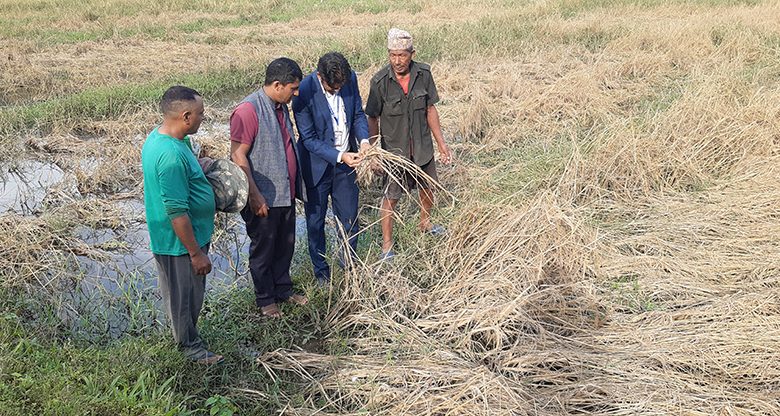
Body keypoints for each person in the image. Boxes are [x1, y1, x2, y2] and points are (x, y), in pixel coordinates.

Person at [141, 86, 222, 365]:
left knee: (188, 295)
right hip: (179, 243)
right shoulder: (171, 157)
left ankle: (190, 341)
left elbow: (184, 173)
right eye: (200, 114)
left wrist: (201, 164)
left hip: (187, 238)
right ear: (186, 116)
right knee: (184, 298)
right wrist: (196, 253)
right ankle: (191, 350)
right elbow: (176, 211)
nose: (203, 118)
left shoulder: (168, 139)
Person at [364, 28, 453, 260]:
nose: (397, 61)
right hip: (396, 152)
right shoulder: (380, 82)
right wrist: (374, 153)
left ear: (412, 54)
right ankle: (387, 245)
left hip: (422, 148)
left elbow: (430, 109)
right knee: (391, 197)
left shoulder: (423, 74)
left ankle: (425, 223)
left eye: (402, 55)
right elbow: (372, 117)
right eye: (392, 55)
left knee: (428, 187)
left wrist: (441, 144)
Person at [230, 57, 309, 318]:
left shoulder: (279, 105)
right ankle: (265, 299)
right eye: (293, 88)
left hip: (284, 192)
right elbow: (238, 156)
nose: (296, 93)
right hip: (263, 195)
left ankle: (283, 289)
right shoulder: (248, 111)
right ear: (277, 85)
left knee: (285, 244)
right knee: (263, 248)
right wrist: (254, 195)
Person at [292, 52, 369, 285]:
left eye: (340, 86)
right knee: (315, 222)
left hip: (347, 164)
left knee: (349, 217)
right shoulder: (303, 91)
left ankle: (349, 265)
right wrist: (339, 156)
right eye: (331, 88)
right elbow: (308, 138)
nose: (337, 90)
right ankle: (321, 272)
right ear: (319, 76)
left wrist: (364, 141)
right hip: (316, 166)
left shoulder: (350, 78)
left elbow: (357, 114)